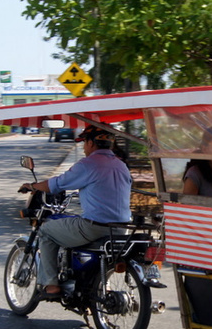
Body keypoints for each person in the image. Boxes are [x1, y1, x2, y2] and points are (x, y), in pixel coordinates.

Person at [18, 125, 132, 297]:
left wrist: (32, 186)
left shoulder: (89, 164)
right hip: (122, 227)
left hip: (94, 227)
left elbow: (56, 184)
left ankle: (51, 285)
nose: (84, 148)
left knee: (46, 231)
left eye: (84, 143)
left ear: (91, 143)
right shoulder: (121, 165)